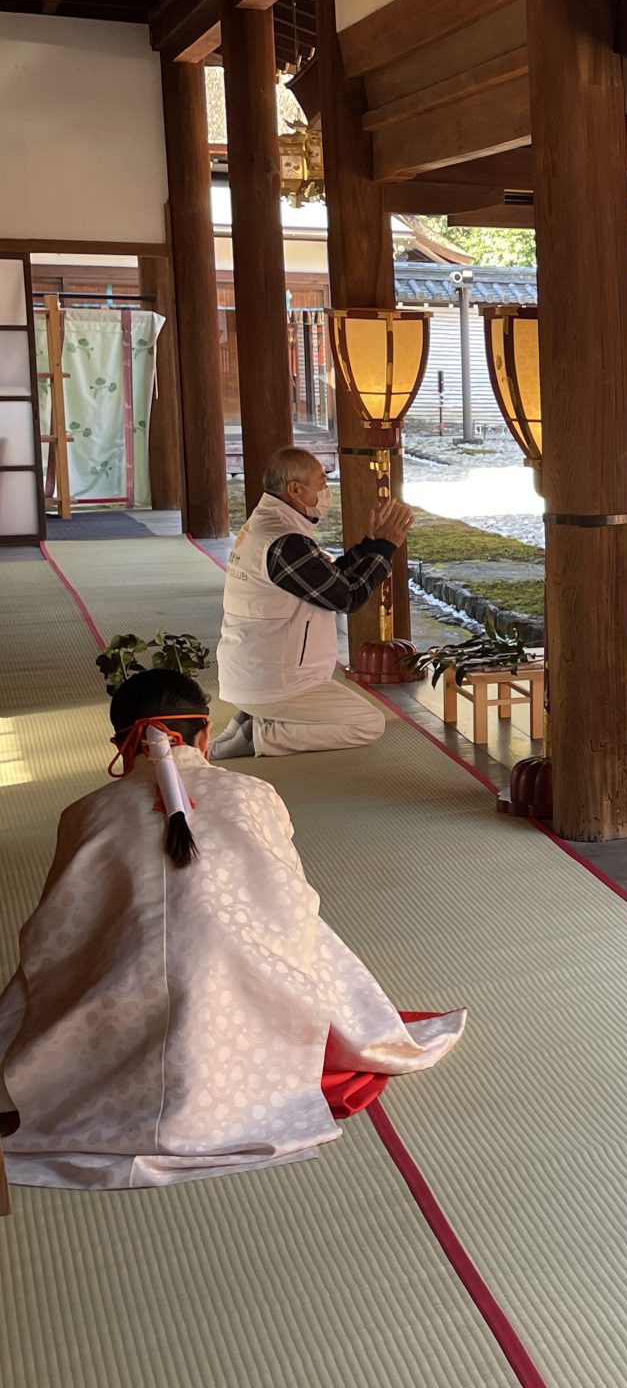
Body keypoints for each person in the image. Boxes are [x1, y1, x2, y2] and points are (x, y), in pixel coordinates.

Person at [0, 670, 464, 1191]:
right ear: (203, 734)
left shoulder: (84, 813)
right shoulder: (252, 792)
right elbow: (290, 899)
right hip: (243, 992)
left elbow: (60, 931)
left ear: (122, 744)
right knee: (298, 928)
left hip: (113, 1004)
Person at [211, 445, 415, 760]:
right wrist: (387, 547)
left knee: (357, 717)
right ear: (295, 489)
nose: (325, 490)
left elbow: (329, 580)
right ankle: (263, 735)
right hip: (277, 680)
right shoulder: (283, 541)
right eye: (321, 481)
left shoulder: (269, 526)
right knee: (368, 723)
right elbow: (347, 596)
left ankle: (252, 718)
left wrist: (373, 544)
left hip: (253, 671)